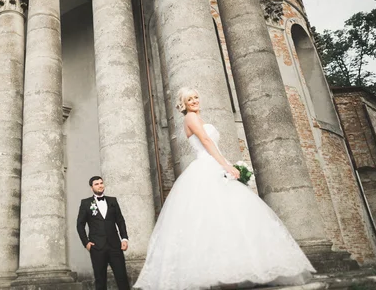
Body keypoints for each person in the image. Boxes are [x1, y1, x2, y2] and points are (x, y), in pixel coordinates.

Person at [133, 87, 316, 290]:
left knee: (231, 219)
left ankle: (232, 274)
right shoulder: (190, 118)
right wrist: (226, 165)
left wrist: (226, 164)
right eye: (189, 99)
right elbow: (206, 141)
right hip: (207, 166)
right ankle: (221, 278)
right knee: (212, 219)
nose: (194, 101)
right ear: (183, 104)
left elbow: (211, 143)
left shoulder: (198, 118)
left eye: (196, 97)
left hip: (214, 164)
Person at [77, 176, 130, 290]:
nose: (100, 185)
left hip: (115, 245)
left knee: (122, 277)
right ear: (92, 188)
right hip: (97, 247)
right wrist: (86, 242)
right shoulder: (86, 203)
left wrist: (124, 238)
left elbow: (120, 221)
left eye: (101, 183)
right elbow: (80, 225)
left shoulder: (113, 201)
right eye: (96, 184)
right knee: (100, 280)